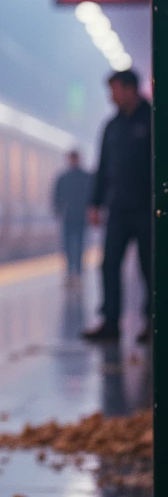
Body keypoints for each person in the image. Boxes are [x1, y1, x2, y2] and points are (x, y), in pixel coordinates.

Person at [82, 69, 151, 344]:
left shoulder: (153, 119)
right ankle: (111, 321)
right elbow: (103, 169)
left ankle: (152, 320)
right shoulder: (112, 126)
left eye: (114, 90)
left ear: (130, 89)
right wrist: (96, 203)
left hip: (147, 208)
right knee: (109, 264)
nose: (111, 97)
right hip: (118, 209)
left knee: (150, 267)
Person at [51, 150, 92, 284]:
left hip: (75, 217)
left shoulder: (64, 178)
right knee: (72, 246)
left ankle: (76, 273)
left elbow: (57, 196)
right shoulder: (85, 177)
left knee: (75, 246)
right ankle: (72, 273)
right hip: (74, 217)